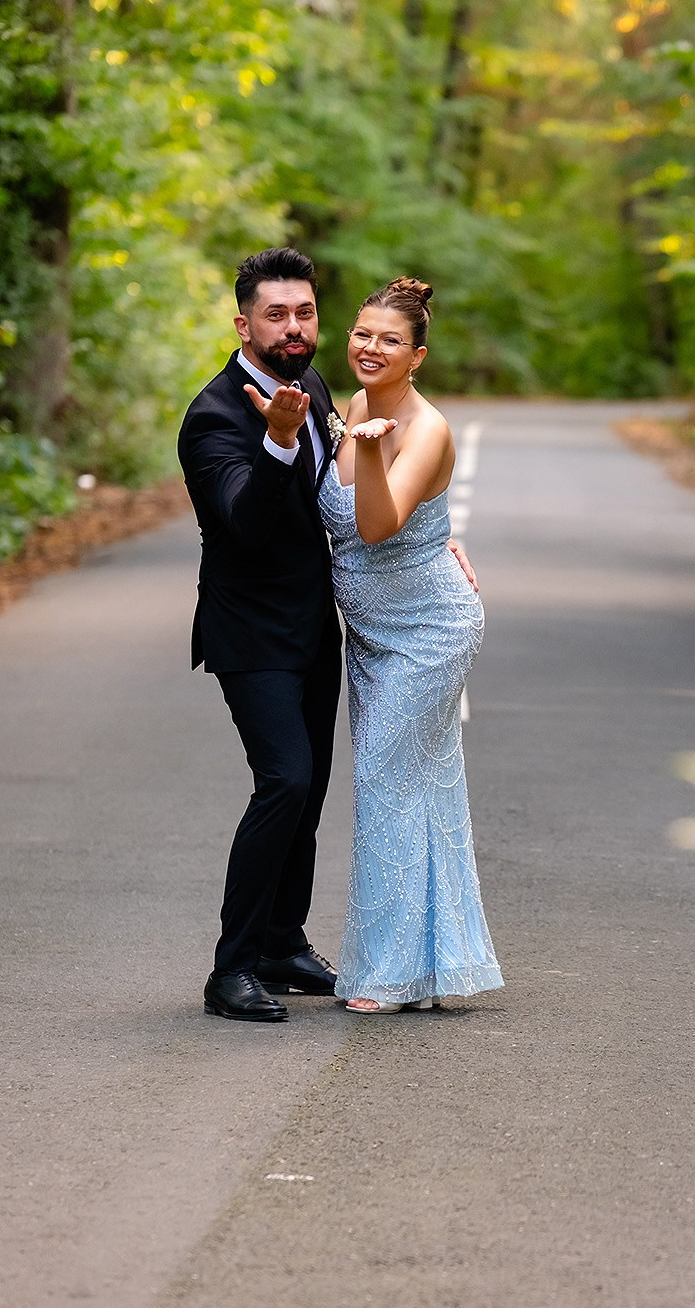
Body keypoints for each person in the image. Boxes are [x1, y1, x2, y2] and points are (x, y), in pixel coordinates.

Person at [319, 277, 503, 1013]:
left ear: (417, 355)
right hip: (370, 633)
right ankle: (436, 964)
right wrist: (447, 534)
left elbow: (376, 525)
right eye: (363, 334)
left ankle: (391, 973)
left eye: (389, 339)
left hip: (428, 631)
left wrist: (366, 453)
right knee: (418, 785)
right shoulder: (358, 405)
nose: (370, 347)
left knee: (385, 780)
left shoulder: (424, 429)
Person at [178, 247, 346, 1022]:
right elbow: (242, 524)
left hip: (314, 623)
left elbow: (340, 489)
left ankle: (282, 938)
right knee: (283, 780)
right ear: (243, 323)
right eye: (275, 315)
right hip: (249, 632)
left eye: (304, 312)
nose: (293, 328)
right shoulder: (212, 415)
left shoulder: (310, 381)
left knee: (308, 789)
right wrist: (277, 440)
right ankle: (232, 967)